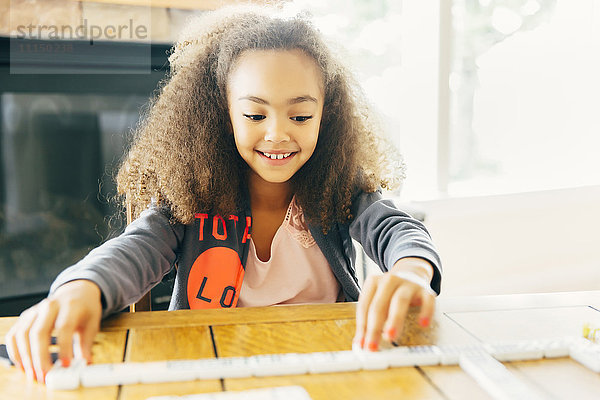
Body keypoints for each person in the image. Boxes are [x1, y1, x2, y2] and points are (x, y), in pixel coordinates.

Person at [5, 5, 442, 384]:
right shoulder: (193, 197)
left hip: (328, 360)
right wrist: (80, 288)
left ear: (325, 117)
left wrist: (411, 272)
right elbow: (134, 249)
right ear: (222, 113)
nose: (277, 134)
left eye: (301, 115)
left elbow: (396, 228)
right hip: (211, 363)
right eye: (254, 113)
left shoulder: (339, 189)